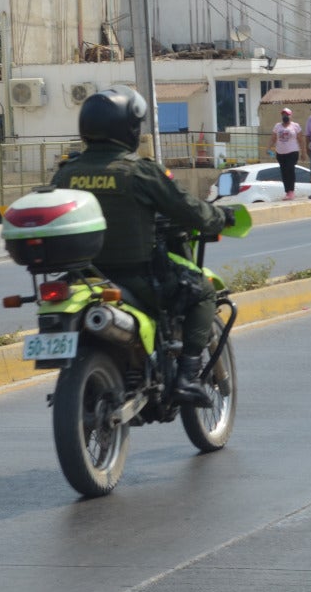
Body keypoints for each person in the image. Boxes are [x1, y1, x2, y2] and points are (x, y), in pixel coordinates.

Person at [51, 86, 232, 406]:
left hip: (82, 277)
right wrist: (220, 217)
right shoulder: (138, 171)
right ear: (129, 129)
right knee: (203, 291)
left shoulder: (67, 173)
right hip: (137, 278)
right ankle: (186, 378)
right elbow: (191, 211)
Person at [267, 108, 302, 200]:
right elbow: (273, 138)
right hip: (280, 153)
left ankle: (291, 191)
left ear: (291, 115)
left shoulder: (295, 126)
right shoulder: (277, 126)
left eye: (287, 114)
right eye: (283, 115)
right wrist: (268, 147)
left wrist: (304, 152)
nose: (285, 116)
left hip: (292, 151)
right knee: (284, 172)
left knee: (290, 169)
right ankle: (287, 192)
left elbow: (300, 140)